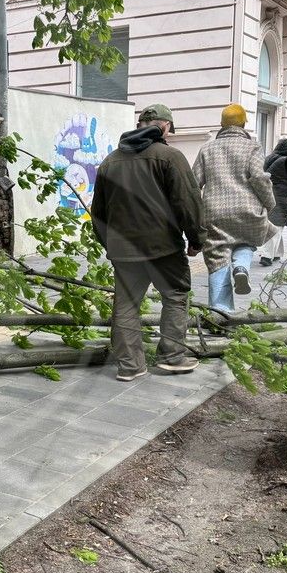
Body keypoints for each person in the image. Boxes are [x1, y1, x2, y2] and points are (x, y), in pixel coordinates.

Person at [91, 104, 206, 381]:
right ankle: (171, 357)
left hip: (123, 250)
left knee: (126, 305)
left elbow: (99, 214)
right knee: (175, 296)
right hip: (163, 247)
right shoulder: (170, 157)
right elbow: (188, 202)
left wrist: (112, 246)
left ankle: (130, 366)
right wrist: (196, 239)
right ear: (164, 126)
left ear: (139, 125)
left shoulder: (110, 161)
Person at [192, 104, 276, 314]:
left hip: (215, 212)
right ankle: (241, 266)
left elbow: (194, 183)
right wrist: (269, 203)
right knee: (247, 241)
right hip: (247, 210)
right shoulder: (252, 147)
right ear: (244, 123)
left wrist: (196, 213)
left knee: (218, 256)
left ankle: (220, 313)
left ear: (222, 124)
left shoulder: (207, 148)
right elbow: (259, 178)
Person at [257, 138, 287, 266]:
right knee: (276, 224)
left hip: (267, 195)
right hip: (281, 196)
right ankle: (266, 256)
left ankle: (277, 253)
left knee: (275, 222)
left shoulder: (268, 158)